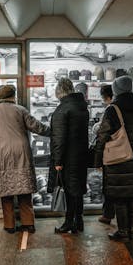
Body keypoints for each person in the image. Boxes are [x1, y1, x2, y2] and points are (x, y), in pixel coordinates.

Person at [0, 85, 50, 233]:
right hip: (21, 151)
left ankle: (9, 225)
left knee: (6, 192)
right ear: (13, 96)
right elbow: (37, 127)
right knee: (24, 190)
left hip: (1, 153)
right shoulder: (20, 110)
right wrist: (54, 131)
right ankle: (28, 223)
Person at [94, 76, 133, 241]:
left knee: (119, 196)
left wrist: (97, 159)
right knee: (131, 196)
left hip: (118, 160)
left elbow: (102, 135)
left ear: (116, 90)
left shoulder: (113, 110)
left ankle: (122, 232)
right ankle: (130, 229)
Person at [48, 78, 89, 234]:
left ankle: (68, 222)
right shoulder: (81, 106)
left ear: (59, 91)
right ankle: (79, 221)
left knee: (70, 191)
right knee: (77, 189)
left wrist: (57, 161)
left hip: (67, 157)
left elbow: (59, 137)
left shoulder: (63, 109)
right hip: (80, 155)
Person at [96, 85, 116, 225]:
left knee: (109, 185)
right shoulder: (131, 108)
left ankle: (108, 214)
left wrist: (98, 159)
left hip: (111, 152)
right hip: (125, 153)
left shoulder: (110, 110)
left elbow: (103, 133)